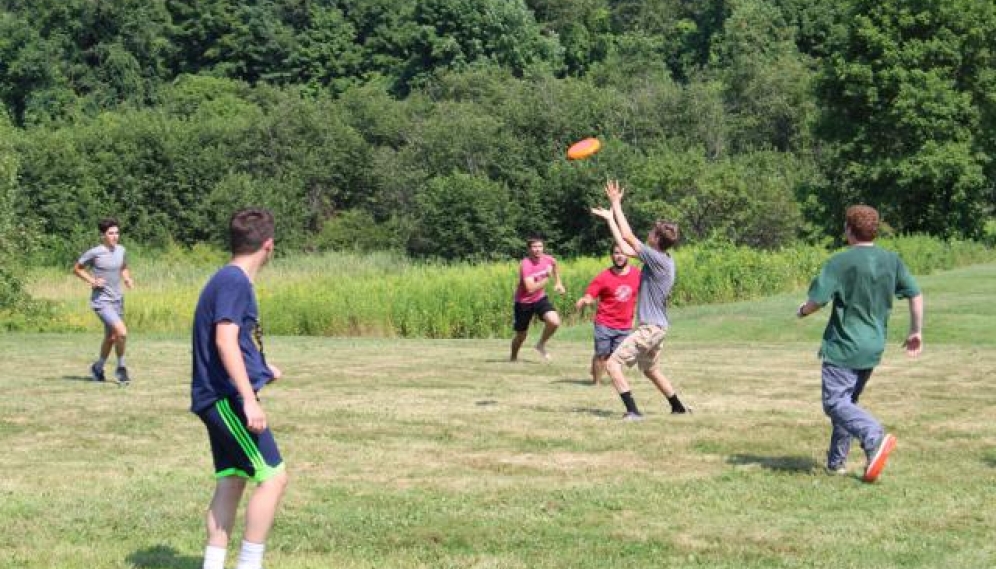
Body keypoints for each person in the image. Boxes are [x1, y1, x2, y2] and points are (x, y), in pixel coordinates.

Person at [191, 207, 288, 569]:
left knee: (232, 480)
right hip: (225, 399)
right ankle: (250, 564)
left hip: (214, 397)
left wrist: (262, 369)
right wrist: (249, 400)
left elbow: (233, 342)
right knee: (273, 478)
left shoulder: (225, 278)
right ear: (269, 244)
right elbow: (225, 340)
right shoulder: (234, 282)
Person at [797, 204, 923, 483]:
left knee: (834, 403)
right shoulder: (892, 260)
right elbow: (915, 294)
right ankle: (836, 463)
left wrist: (802, 311)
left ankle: (873, 435)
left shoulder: (840, 262)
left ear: (849, 230)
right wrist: (916, 331)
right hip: (873, 345)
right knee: (848, 402)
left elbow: (817, 300)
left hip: (844, 345)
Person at [591, 180, 689, 419]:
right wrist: (610, 218)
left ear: (656, 239)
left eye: (652, 233)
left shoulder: (656, 259)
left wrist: (616, 203)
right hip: (659, 327)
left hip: (650, 328)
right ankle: (677, 407)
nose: (648, 234)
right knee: (650, 369)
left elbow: (627, 236)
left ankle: (633, 411)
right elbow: (624, 248)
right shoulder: (664, 258)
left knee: (613, 365)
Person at [73, 217, 134, 385]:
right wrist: (92, 281)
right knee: (121, 332)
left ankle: (98, 368)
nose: (115, 236)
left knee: (111, 337)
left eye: (117, 233)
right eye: (111, 233)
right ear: (103, 235)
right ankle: (121, 368)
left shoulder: (121, 250)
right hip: (101, 301)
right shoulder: (95, 252)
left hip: (117, 300)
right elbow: (77, 269)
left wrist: (127, 278)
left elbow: (123, 267)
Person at [575, 245, 641, 384]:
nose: (619, 256)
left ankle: (600, 371)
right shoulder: (604, 277)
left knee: (616, 357)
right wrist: (585, 300)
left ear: (628, 255)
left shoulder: (637, 275)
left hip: (625, 324)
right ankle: (596, 383)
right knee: (601, 354)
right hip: (604, 323)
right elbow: (591, 294)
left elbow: (647, 291)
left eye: (622, 253)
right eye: (616, 253)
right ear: (611, 255)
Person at [510, 235, 566, 362]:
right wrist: (547, 277)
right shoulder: (526, 264)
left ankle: (540, 344)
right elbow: (530, 288)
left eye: (540, 246)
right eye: (534, 247)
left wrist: (558, 283)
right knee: (521, 336)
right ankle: (513, 358)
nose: (538, 249)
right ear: (529, 249)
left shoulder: (547, 259)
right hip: (523, 303)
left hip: (539, 299)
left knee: (554, 321)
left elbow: (555, 264)